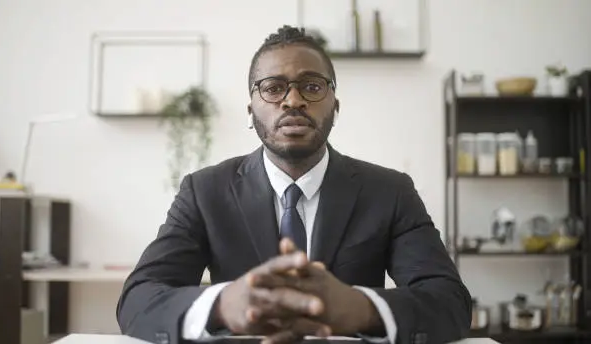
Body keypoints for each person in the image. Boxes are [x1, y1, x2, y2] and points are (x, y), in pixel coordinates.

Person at [116, 25, 472, 344]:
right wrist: (223, 305)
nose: (293, 100)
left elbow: (450, 301)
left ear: (336, 105)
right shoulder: (204, 191)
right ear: (250, 109)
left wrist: (362, 308)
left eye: (312, 86)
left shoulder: (390, 191)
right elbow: (138, 299)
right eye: (272, 88)